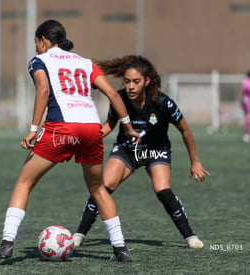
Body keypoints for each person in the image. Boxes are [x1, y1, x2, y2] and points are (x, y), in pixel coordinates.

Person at [0, 20, 140, 262]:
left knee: (24, 183)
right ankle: (121, 249)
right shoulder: (84, 62)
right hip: (91, 128)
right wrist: (128, 126)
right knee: (98, 189)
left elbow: (43, 91)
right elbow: (112, 94)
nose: (36, 47)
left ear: (44, 41)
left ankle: (6, 244)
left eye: (36, 42)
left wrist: (33, 129)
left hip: (62, 128)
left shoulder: (40, 61)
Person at [72, 55, 210, 249]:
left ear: (146, 81)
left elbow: (185, 131)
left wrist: (195, 161)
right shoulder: (119, 98)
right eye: (127, 82)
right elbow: (109, 125)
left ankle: (190, 236)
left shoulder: (163, 103)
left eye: (136, 82)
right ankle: (79, 235)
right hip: (127, 150)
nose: (130, 86)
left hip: (156, 151)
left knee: (162, 190)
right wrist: (86, 139)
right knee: (104, 186)